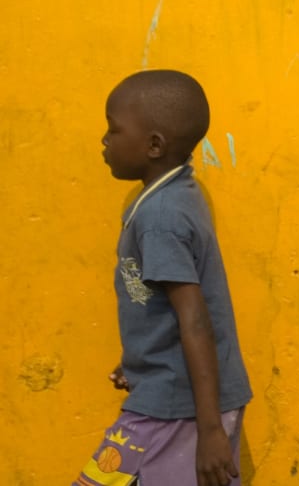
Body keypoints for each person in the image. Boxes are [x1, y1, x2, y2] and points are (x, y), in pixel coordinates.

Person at [76, 70, 252, 486]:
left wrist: (209, 432)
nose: (104, 140)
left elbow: (194, 321)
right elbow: (164, 307)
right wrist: (142, 357)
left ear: (154, 145)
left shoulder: (160, 217)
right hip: (169, 396)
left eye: (113, 130)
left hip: (181, 410)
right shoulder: (169, 196)